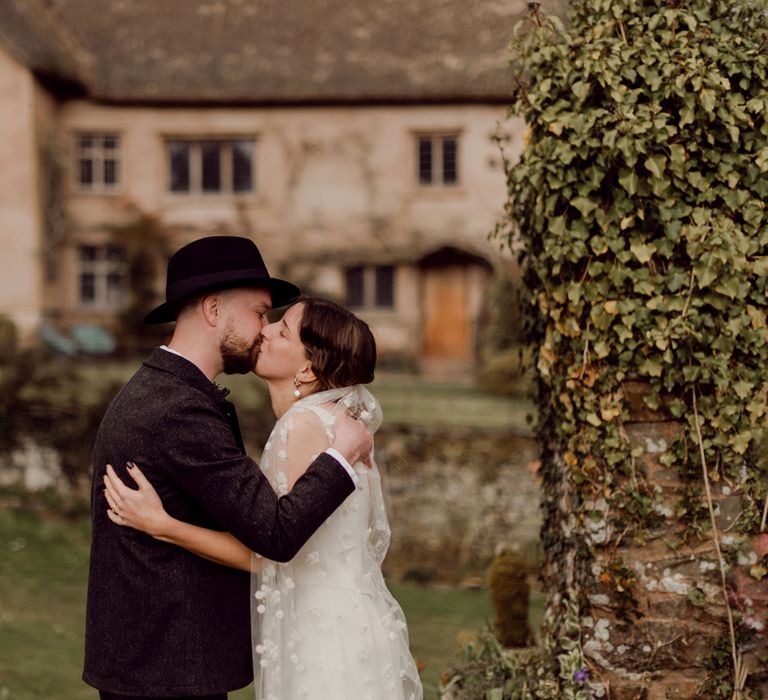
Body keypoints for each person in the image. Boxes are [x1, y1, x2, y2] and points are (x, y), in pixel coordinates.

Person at [83, 237, 372, 700]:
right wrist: (341, 457)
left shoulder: (164, 391)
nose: (264, 329)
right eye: (260, 313)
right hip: (165, 671)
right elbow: (276, 533)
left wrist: (165, 525)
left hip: (156, 665)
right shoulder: (179, 409)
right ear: (214, 310)